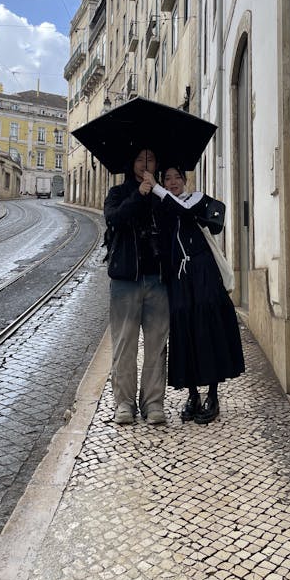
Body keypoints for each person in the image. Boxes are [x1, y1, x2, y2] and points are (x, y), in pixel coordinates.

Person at [143, 166, 245, 425]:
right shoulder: (163, 205)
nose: (173, 181)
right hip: (180, 280)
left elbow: (185, 211)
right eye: (168, 178)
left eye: (177, 177)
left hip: (203, 275)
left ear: (186, 181)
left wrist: (157, 187)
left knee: (207, 330)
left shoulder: (196, 198)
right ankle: (192, 396)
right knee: (184, 333)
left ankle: (212, 395)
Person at [103, 148, 169, 425]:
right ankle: (124, 404)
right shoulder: (117, 194)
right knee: (124, 345)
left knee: (157, 345)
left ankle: (153, 403)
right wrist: (139, 194)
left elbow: (173, 224)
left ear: (157, 164)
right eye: (140, 159)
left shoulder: (163, 196)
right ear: (132, 164)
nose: (145, 164)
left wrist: (157, 194)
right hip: (125, 279)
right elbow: (113, 219)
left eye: (151, 159)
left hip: (157, 279)